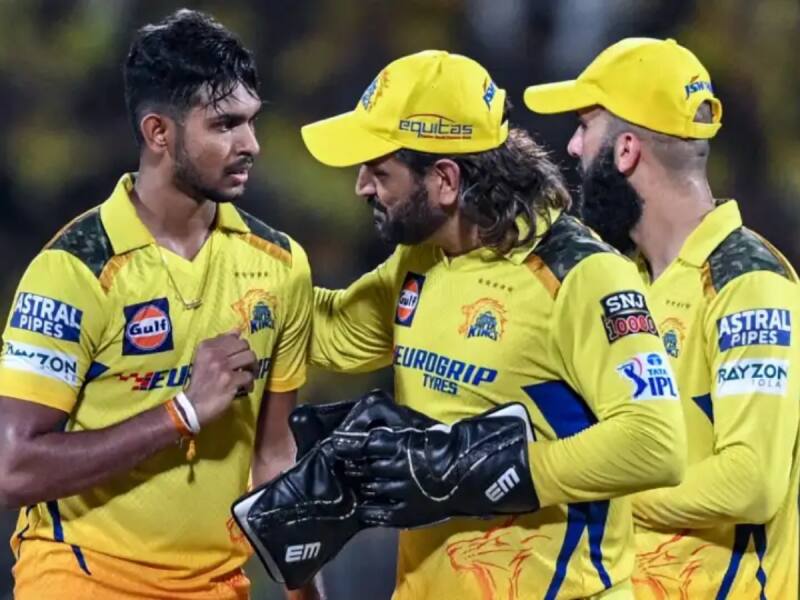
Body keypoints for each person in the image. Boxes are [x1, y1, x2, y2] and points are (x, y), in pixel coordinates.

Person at [300, 49, 686, 600]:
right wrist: (239, 265)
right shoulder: (423, 257)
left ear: (445, 179)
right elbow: (331, 333)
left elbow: (656, 443)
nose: (362, 185)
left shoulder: (582, 275)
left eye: (380, 171)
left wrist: (481, 468)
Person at [0, 10, 320, 600]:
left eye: (251, 121)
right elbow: (11, 468)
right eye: (224, 124)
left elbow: (273, 456)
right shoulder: (74, 270)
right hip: (82, 577)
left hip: (218, 584)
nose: (251, 144)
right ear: (159, 133)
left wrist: (306, 592)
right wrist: (183, 412)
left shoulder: (281, 265)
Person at [524, 37, 800, 599]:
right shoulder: (620, 278)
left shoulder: (747, 282)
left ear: (626, 150)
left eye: (585, 126)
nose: (573, 147)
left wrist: (588, 490)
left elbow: (751, 481)